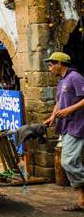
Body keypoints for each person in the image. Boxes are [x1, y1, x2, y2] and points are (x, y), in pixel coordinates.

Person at [43, 51, 84, 212]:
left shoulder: (75, 77)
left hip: (77, 125)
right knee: (72, 162)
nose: (50, 67)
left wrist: (68, 111)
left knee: (67, 162)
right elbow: (59, 102)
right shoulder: (61, 81)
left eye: (51, 64)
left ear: (60, 64)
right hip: (67, 126)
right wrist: (52, 116)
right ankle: (82, 201)